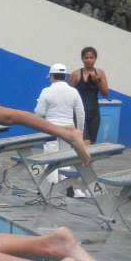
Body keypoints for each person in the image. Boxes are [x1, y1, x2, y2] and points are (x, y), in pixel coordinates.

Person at [37, 63, 86, 191]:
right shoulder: (73, 91)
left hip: (51, 129)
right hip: (69, 129)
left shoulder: (46, 91)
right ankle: (66, 189)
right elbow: (81, 113)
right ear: (64, 76)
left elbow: (39, 112)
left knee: (51, 159)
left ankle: (50, 190)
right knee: (65, 159)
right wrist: (79, 132)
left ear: (52, 76)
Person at [68, 46, 109, 144]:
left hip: (94, 112)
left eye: (91, 58)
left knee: (92, 142)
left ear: (95, 59)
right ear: (82, 59)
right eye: (86, 58)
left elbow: (105, 94)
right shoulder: (76, 74)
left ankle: (85, 159)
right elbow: (68, 94)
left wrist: (97, 81)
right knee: (84, 142)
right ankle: (81, 159)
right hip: (79, 112)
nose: (89, 60)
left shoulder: (100, 73)